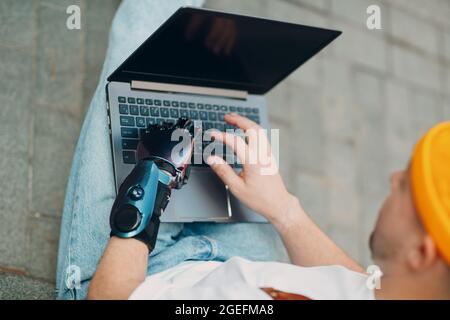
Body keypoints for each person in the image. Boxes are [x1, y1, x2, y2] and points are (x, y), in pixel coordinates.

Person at [56, 0, 450, 300]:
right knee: (208, 76)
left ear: (421, 252)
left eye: (408, 185)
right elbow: (360, 288)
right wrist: (282, 208)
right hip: (245, 266)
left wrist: (153, 175)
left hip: (135, 269)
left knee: (138, 46)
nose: (394, 177)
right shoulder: (407, 288)